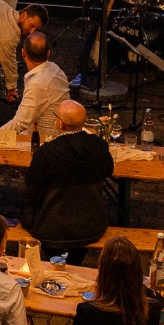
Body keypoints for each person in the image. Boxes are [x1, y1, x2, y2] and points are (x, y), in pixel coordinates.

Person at [25, 99, 115, 258]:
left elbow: (32, 185)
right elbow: (107, 170)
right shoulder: (99, 146)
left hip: (51, 228)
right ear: (84, 122)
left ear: (60, 124)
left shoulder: (46, 152)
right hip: (91, 226)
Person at [5, 30, 71, 142]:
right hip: (40, 124)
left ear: (23, 53)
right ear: (48, 53)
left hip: (40, 137)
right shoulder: (55, 68)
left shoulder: (37, 84)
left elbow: (20, 123)